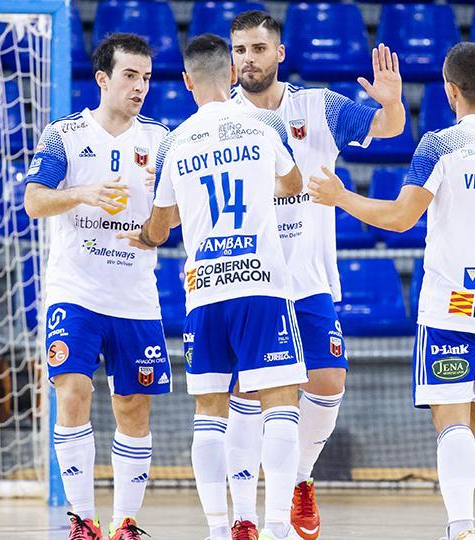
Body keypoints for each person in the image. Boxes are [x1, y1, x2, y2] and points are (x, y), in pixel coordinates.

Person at [308, 42, 475, 540]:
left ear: (450, 90)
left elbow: (399, 219)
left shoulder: (441, 145)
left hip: (451, 304)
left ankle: (461, 529)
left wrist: (339, 196)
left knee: (452, 421)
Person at [226, 11, 405, 539]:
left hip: (308, 277)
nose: (247, 59)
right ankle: (242, 515)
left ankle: (301, 479)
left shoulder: (317, 106)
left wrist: (391, 101)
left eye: (258, 49)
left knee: (329, 381)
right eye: (239, 50)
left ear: (279, 54)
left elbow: (388, 128)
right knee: (246, 392)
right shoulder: (222, 116)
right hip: (246, 279)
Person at [119, 33, 305, 540]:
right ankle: (276, 528)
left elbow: (160, 228)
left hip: (205, 291)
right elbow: (292, 185)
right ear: (230, 75)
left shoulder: (175, 140)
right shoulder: (263, 123)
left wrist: (148, 232)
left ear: (185, 82)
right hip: (261, 284)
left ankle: (221, 530)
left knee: (209, 410)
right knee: (280, 403)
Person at [24, 33, 170, 540]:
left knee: (133, 405)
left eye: (147, 78)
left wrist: (157, 227)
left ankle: (126, 522)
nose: (140, 87)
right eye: (130, 76)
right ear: (103, 78)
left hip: (134, 294)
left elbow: (174, 211)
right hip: (76, 290)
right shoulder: (65, 133)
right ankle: (82, 520)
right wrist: (83, 192)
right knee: (74, 392)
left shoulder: (159, 139)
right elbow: (34, 201)